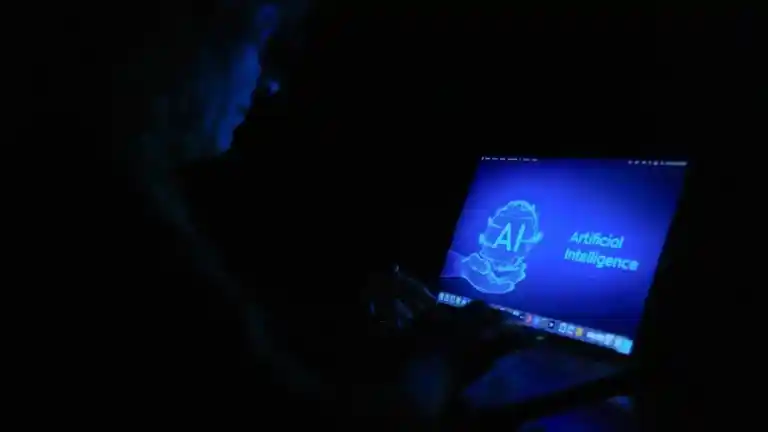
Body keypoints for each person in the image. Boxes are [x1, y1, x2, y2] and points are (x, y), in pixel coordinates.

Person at [105, 1, 528, 427]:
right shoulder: (143, 213)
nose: (269, 84)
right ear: (182, 45)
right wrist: (443, 357)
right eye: (256, 45)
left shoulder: (159, 195)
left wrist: (346, 305)